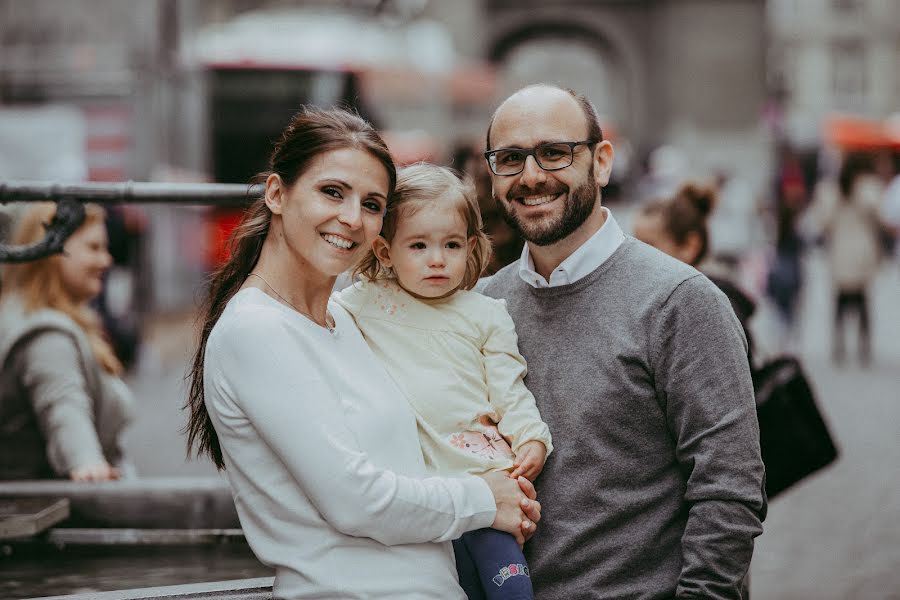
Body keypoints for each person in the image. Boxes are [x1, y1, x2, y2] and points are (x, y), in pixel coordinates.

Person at [184, 107, 541, 600]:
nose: (352, 219)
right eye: (332, 192)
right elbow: (356, 501)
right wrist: (485, 497)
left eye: (372, 204)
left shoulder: (347, 319)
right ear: (276, 193)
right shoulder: (257, 330)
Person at [479, 84, 766, 600]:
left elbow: (729, 491)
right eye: (511, 158)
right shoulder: (479, 307)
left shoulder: (680, 301)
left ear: (602, 162)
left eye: (554, 153)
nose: (531, 176)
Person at [336, 163, 553, 599]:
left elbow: (510, 387)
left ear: (471, 246)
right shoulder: (360, 305)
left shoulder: (486, 314)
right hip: (422, 493)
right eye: (418, 245)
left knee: (511, 589)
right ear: (384, 252)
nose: (437, 259)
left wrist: (532, 437)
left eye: (451, 245)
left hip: (486, 480)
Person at [0, 202, 134, 481]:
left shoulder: (29, 315)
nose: (106, 260)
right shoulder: (46, 335)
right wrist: (85, 461)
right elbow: (62, 404)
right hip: (60, 511)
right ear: (51, 253)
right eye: (94, 248)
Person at [633, 182, 757, 365]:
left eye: (649, 245)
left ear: (690, 246)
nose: (636, 255)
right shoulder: (657, 301)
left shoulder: (709, 308)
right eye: (633, 244)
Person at [807, 153, 884, 365]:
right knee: (862, 301)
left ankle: (840, 346)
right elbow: (881, 216)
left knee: (840, 302)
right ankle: (863, 347)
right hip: (862, 251)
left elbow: (820, 222)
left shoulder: (831, 190)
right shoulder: (868, 188)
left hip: (840, 251)